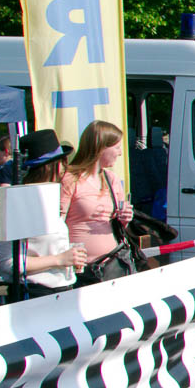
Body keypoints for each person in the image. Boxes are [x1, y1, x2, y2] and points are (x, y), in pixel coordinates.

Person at [14, 130, 87, 296]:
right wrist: (60, 259)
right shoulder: (21, 202)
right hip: (37, 293)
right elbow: (10, 262)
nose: (66, 168)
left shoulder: (49, 198)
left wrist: (69, 256)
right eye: (63, 162)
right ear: (53, 166)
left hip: (63, 290)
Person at [63, 121, 137, 282]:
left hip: (112, 265)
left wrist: (125, 218)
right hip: (80, 271)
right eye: (117, 147)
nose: (120, 153)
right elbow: (57, 224)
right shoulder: (70, 180)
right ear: (100, 147)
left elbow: (119, 225)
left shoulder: (112, 179)